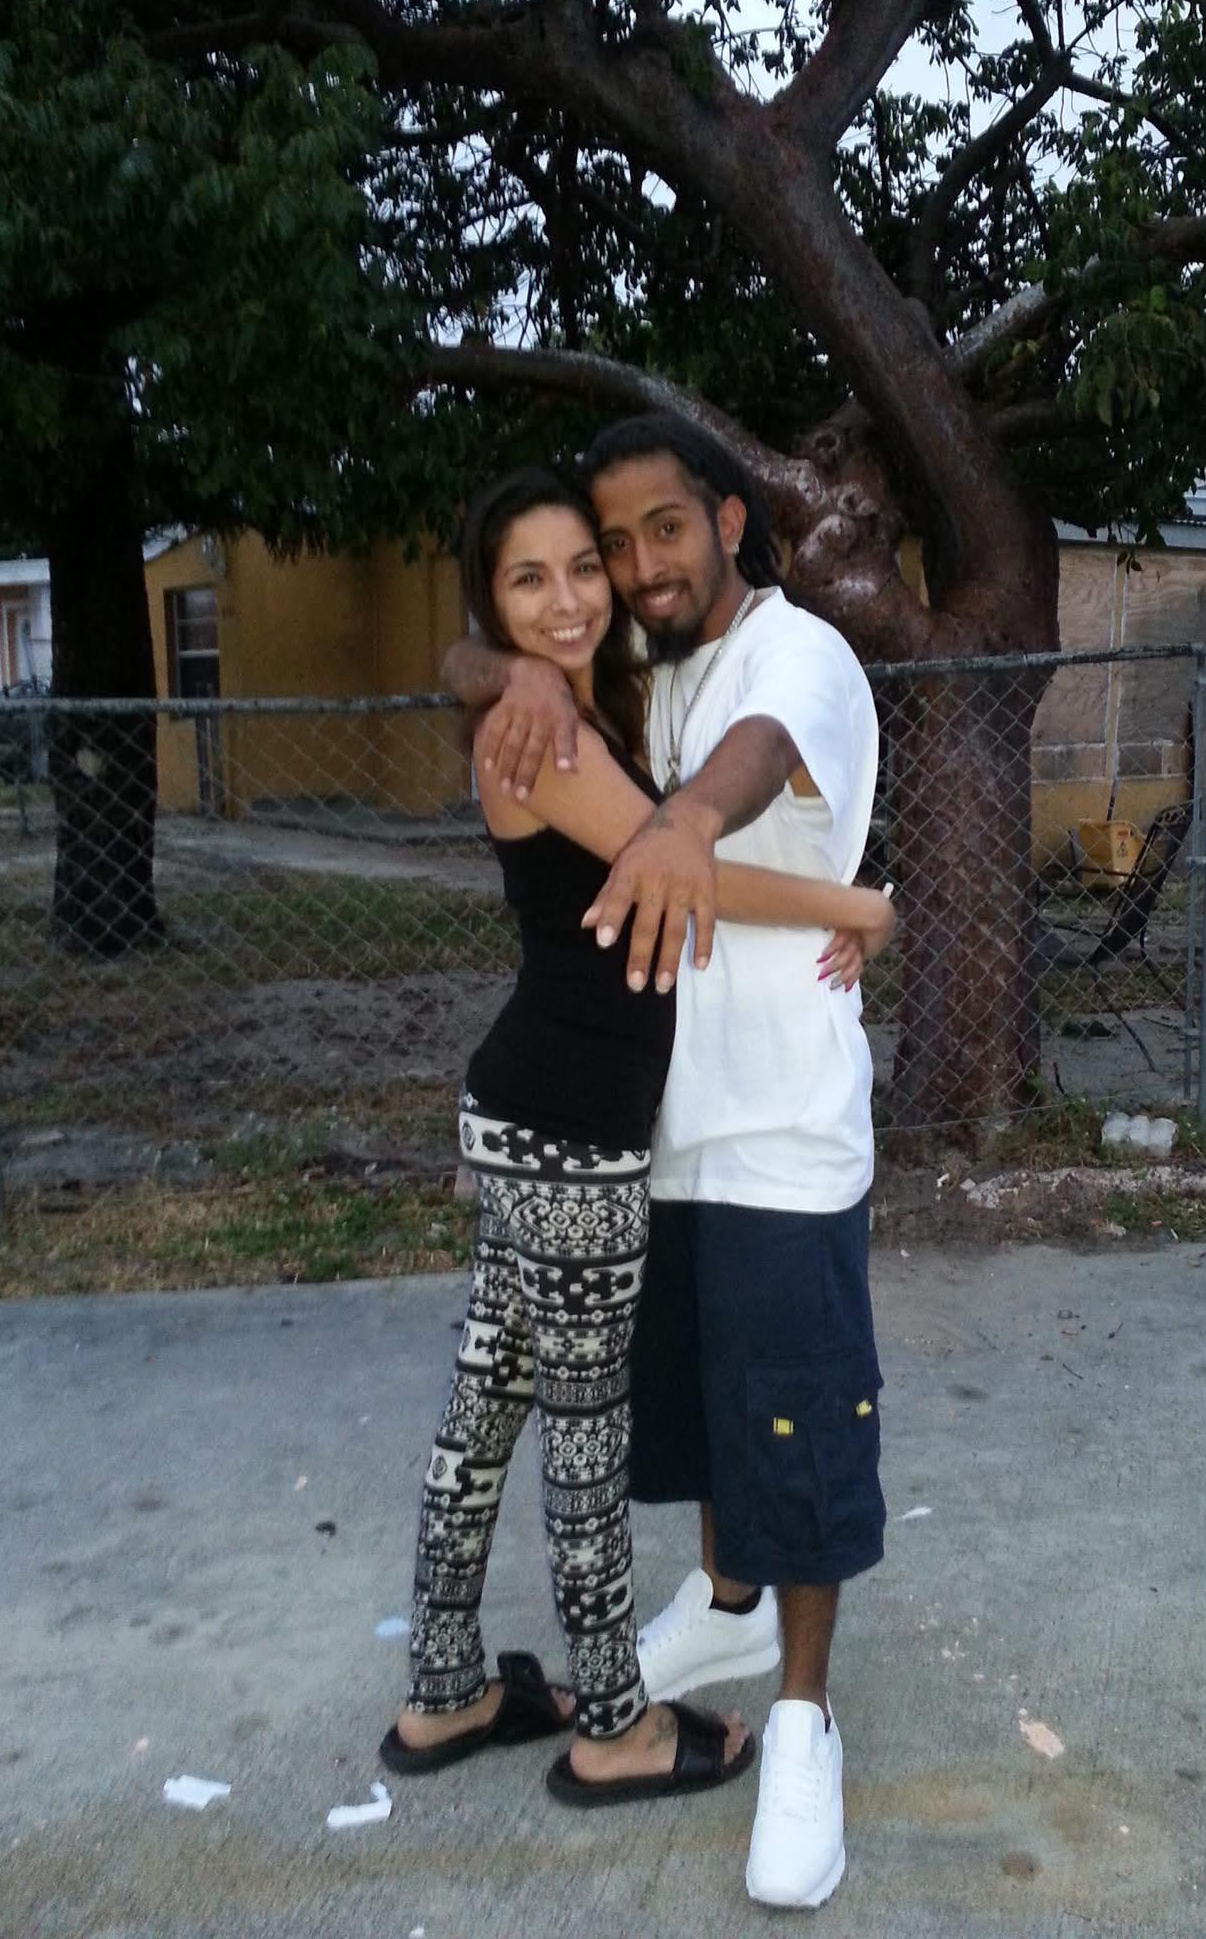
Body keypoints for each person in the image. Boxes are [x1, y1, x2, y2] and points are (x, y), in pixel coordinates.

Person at [384, 466, 895, 1811]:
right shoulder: (548, 730)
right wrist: (861, 902)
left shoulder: (590, 694)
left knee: (484, 1417)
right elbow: (691, 869)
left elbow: (483, 669)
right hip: (573, 1133)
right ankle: (613, 1723)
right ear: (491, 600)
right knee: (582, 1438)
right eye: (528, 579)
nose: (571, 595)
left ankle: (442, 1692)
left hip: (531, 1116)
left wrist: (506, 668)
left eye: (585, 566)